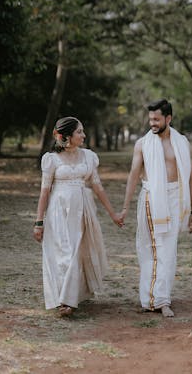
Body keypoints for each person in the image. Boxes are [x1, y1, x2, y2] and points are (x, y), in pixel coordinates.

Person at [33, 116, 123, 316]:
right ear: (66, 136)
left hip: (83, 210)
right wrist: (38, 222)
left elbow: (98, 187)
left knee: (75, 252)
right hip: (58, 211)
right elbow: (44, 191)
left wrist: (113, 214)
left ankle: (69, 300)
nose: (84, 135)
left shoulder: (89, 157)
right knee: (62, 254)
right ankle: (64, 298)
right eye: (79, 132)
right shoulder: (51, 160)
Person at [119, 98, 192, 317]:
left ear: (168, 118)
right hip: (152, 199)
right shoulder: (143, 144)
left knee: (169, 250)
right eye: (150, 118)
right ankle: (154, 299)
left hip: (176, 200)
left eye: (156, 119)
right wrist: (125, 207)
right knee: (152, 249)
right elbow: (133, 175)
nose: (152, 123)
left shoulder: (181, 142)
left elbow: (190, 177)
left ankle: (161, 296)